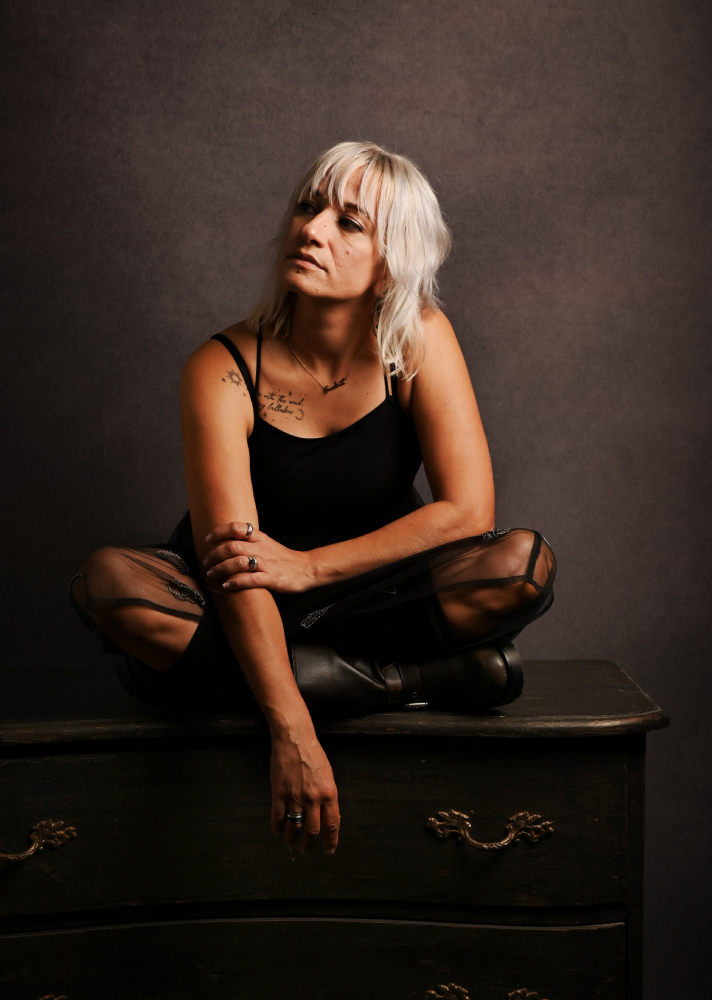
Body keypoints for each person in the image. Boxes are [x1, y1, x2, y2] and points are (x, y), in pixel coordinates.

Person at [69, 140, 556, 858]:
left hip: (369, 594)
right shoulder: (221, 368)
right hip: (236, 598)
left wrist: (308, 567)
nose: (312, 229)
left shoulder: (417, 339)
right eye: (307, 207)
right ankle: (402, 682)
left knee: (522, 565)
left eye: (348, 222)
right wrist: (292, 730)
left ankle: (254, 675)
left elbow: (467, 513)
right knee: (110, 584)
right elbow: (234, 565)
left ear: (390, 261)